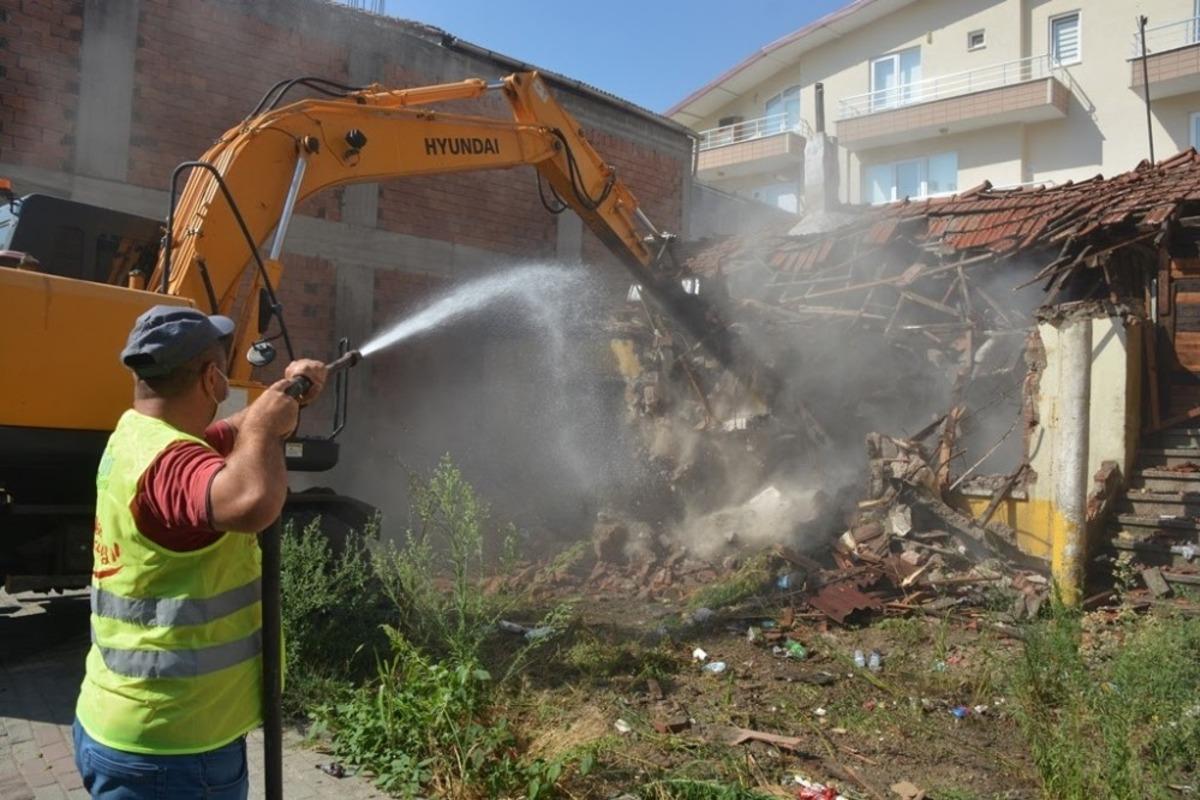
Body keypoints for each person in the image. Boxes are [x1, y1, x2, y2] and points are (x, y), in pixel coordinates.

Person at [73, 305, 327, 799]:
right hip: (175, 751)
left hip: (124, 728)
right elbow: (252, 501)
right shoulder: (170, 463)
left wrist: (282, 396)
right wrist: (265, 430)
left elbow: (226, 435)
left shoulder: (136, 436)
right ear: (212, 379)